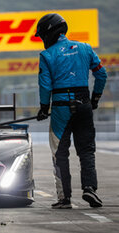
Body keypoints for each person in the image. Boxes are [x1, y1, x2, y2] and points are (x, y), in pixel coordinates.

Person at [35, 13, 107, 209]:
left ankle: (64, 198)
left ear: (49, 33)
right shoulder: (85, 48)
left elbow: (45, 85)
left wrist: (43, 108)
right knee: (86, 150)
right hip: (84, 104)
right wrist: (95, 98)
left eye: (42, 36)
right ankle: (90, 188)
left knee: (59, 153)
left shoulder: (47, 55)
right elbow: (101, 74)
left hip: (61, 109)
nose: (42, 40)